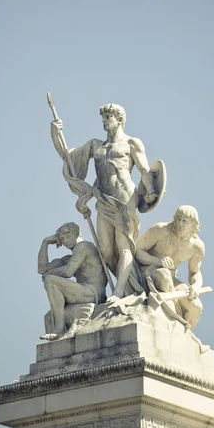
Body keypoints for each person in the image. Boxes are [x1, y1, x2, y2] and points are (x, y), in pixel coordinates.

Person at [51, 104, 156, 302]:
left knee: (123, 246)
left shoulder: (131, 143)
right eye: (104, 116)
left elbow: (144, 170)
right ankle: (130, 286)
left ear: (120, 119)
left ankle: (118, 292)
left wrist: (150, 190)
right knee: (106, 250)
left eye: (109, 116)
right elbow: (68, 156)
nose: (105, 120)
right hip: (103, 200)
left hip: (125, 200)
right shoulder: (95, 145)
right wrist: (56, 134)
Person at [135, 205, 205, 328]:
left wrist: (196, 286)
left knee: (196, 308)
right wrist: (157, 261)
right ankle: (173, 322)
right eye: (177, 219)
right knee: (164, 275)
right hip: (148, 271)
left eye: (184, 221)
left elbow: (195, 273)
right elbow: (137, 251)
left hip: (171, 279)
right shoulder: (160, 230)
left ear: (193, 224)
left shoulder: (196, 247)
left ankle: (182, 334)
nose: (179, 224)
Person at [38, 222, 107, 340]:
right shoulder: (70, 258)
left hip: (94, 292)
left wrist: (49, 274)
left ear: (77, 233)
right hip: (84, 293)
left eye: (67, 235)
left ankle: (59, 330)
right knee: (49, 316)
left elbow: (68, 272)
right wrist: (45, 243)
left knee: (50, 281)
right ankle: (58, 329)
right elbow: (42, 269)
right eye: (61, 238)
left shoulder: (84, 246)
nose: (64, 240)